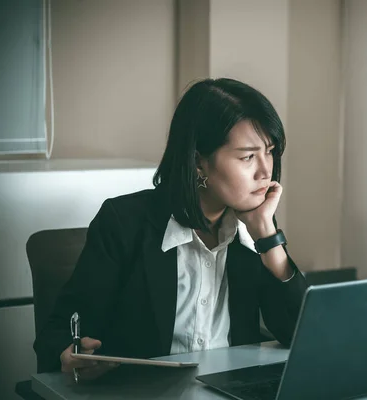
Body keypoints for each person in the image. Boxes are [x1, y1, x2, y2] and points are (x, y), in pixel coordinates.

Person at [33, 78, 308, 381]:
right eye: (247, 157)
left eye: (269, 152)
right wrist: (70, 353)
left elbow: (299, 335)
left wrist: (268, 237)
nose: (265, 171)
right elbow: (58, 330)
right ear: (198, 162)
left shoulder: (256, 228)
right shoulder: (124, 222)